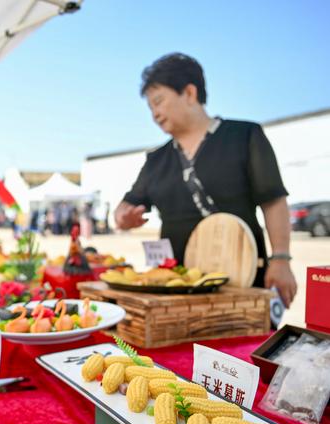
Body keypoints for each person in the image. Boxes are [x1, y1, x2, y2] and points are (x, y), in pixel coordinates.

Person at [115, 53, 297, 306]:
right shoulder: (156, 159)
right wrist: (123, 217)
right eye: (150, 108)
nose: (155, 114)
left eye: (159, 101)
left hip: (241, 283)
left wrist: (281, 259)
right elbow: (126, 205)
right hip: (176, 289)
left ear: (189, 93)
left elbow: (273, 200)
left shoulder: (244, 136)